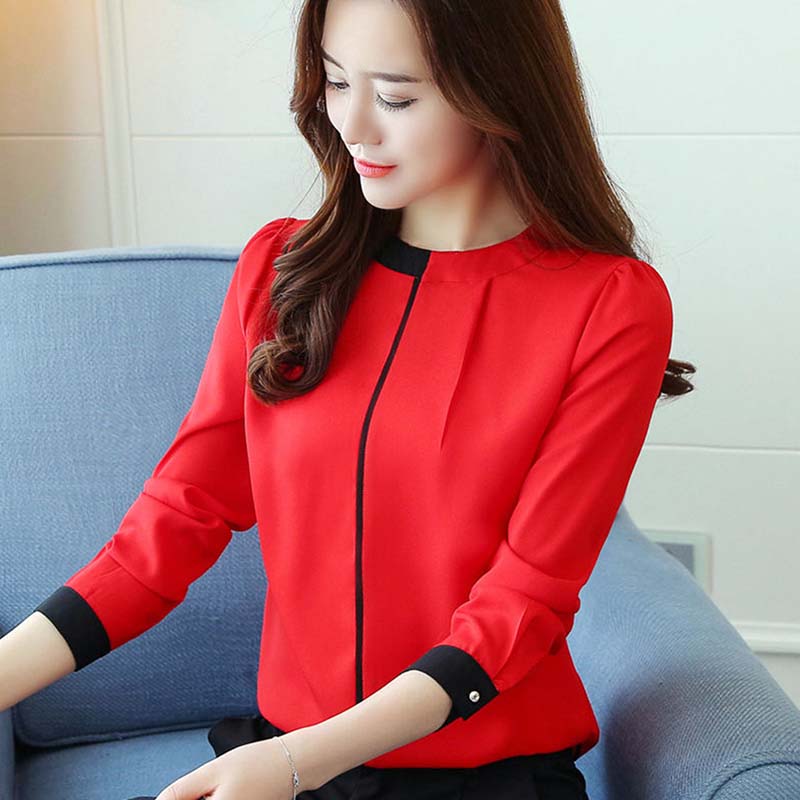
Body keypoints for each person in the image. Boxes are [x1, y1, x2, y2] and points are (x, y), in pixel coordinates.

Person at [0, 1, 696, 798]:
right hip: (286, 762)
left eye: (396, 96)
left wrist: (299, 762)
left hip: (479, 779)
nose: (353, 126)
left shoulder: (609, 306)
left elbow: (526, 601)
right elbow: (173, 524)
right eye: (335, 83)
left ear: (498, 90)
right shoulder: (281, 271)